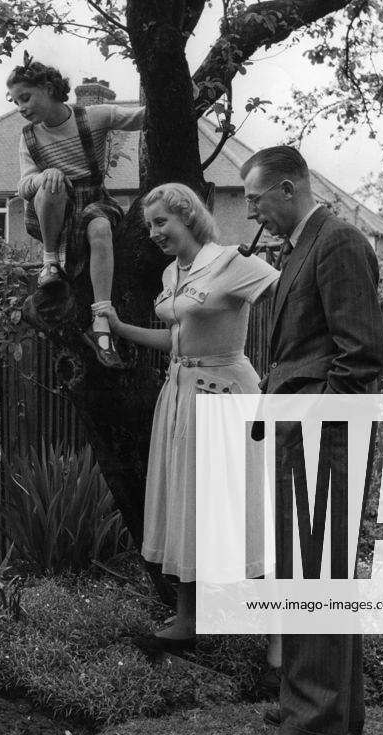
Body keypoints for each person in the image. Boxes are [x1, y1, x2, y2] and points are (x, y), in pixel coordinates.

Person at [239, 146, 383, 735]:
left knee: (313, 575)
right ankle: (333, 708)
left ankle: (311, 731)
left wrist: (314, 425)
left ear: (290, 188)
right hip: (308, 436)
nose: (251, 212)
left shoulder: (340, 241)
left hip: (324, 440)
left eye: (254, 199)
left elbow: (362, 357)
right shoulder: (304, 244)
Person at [98, 182, 279, 647]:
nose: (156, 232)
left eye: (163, 222)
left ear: (190, 218)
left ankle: (278, 637)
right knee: (186, 504)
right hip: (179, 395)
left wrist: (287, 368)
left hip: (225, 393)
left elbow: (290, 298)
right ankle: (187, 621)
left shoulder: (232, 263)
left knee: (240, 509)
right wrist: (120, 328)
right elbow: (179, 342)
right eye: (150, 225)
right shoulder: (172, 275)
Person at [7, 57, 144, 369]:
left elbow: (142, 117)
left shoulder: (94, 117)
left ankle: (102, 321)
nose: (21, 108)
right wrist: (44, 176)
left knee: (100, 228)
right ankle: (50, 263)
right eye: (15, 102)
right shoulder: (28, 137)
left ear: (50, 88)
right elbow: (23, 185)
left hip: (93, 200)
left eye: (25, 98)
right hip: (53, 210)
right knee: (51, 182)